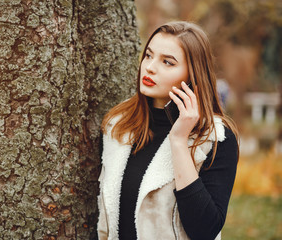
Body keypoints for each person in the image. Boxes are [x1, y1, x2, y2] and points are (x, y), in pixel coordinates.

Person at [97, 21, 239, 240]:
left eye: (168, 62)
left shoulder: (216, 138)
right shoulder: (117, 126)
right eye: (148, 55)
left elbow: (205, 231)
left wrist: (180, 141)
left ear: (192, 75)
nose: (150, 67)